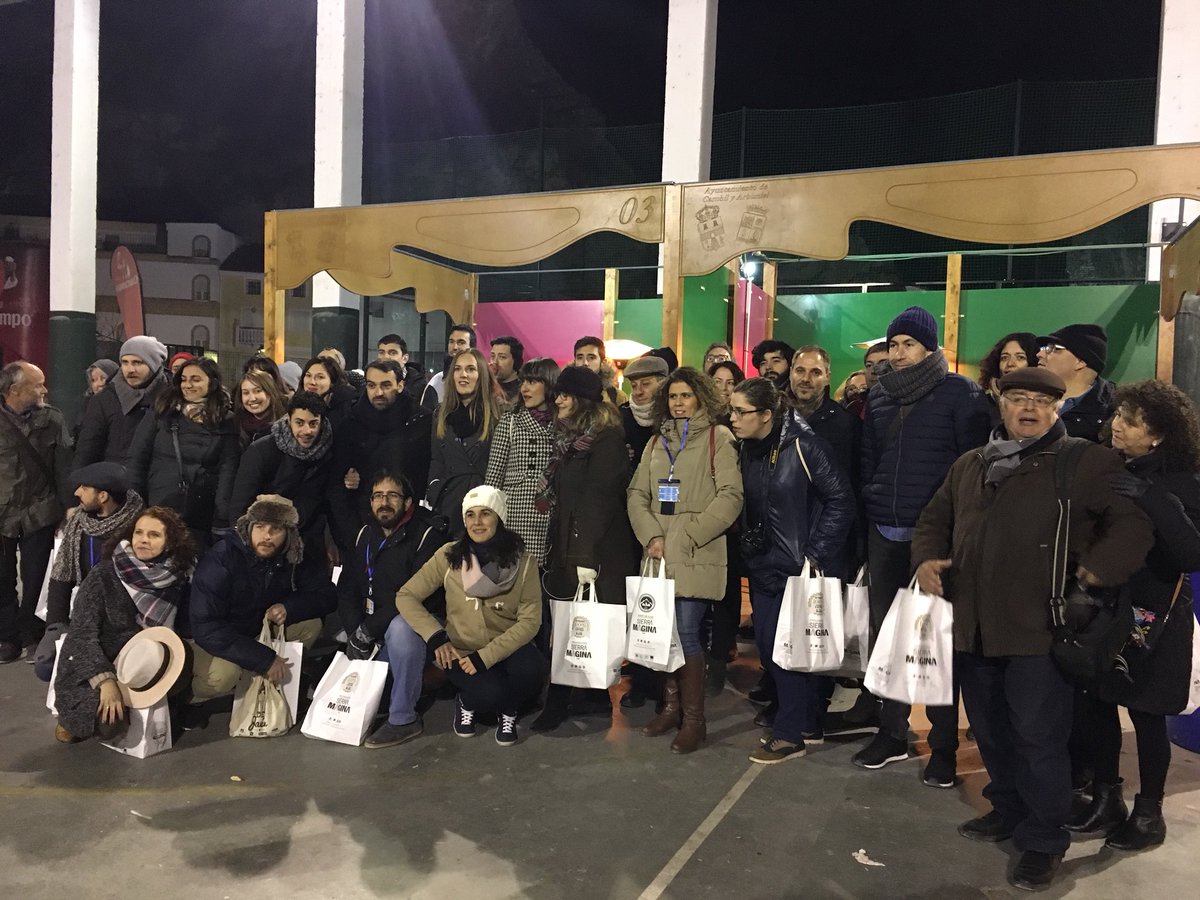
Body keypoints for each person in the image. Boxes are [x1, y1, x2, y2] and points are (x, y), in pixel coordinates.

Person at [911, 367, 1153, 891]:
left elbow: (1132, 524)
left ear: (1057, 409)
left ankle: (1044, 840)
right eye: (1018, 397)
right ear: (1000, 403)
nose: (1029, 408)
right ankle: (1009, 807)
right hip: (974, 627)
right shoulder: (971, 464)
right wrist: (927, 558)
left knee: (1039, 739)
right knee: (992, 731)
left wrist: (1097, 572)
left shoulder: (1083, 461)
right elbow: (933, 520)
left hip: (1039, 630)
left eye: (1042, 401)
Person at [856, 306, 992, 782]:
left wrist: (952, 535)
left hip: (934, 539)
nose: (898, 354)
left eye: (909, 344)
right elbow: (870, 460)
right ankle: (891, 732)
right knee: (886, 637)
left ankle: (943, 747)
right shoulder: (880, 397)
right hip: (884, 532)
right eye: (893, 345)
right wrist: (873, 499)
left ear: (930, 348)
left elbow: (972, 469)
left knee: (936, 642)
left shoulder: (961, 394)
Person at [1068, 381, 1200, 851]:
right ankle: (1107, 797)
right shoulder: (1110, 467)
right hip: (1108, 610)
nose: (1117, 426)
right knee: (1099, 702)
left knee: (1146, 713)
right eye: (1119, 415)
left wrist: (1153, 498)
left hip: (1157, 616)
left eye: (1131, 420)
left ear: (1159, 435)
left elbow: (1189, 553)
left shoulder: (1183, 482)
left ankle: (1149, 813)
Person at [730, 377, 855, 764]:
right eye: (731, 410)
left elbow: (842, 501)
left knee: (786, 650)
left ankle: (788, 735)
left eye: (740, 411)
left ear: (766, 414)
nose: (732, 418)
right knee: (773, 649)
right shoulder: (746, 449)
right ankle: (807, 723)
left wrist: (815, 554)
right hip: (763, 563)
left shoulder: (806, 446)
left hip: (798, 569)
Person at [627, 367, 743, 753]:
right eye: (673, 396)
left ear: (701, 398)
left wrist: (689, 533)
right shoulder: (656, 442)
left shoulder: (718, 437)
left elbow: (731, 496)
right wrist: (652, 535)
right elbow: (636, 494)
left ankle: (695, 720)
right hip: (659, 554)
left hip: (697, 550)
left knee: (687, 632)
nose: (678, 403)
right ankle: (671, 708)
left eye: (686, 396)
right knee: (664, 633)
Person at [531, 365, 639, 732]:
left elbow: (599, 498)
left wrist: (584, 556)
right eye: (558, 393)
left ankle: (563, 701)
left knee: (581, 624)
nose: (558, 399)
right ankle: (586, 697)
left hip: (598, 549)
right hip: (570, 543)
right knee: (570, 623)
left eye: (565, 394)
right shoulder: (569, 439)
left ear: (583, 399)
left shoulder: (606, 440)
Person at [395, 486, 545, 746]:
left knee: (533, 669)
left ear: (499, 518)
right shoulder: (449, 555)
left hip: (506, 647)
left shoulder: (523, 562)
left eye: (485, 513)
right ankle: (467, 701)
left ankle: (509, 710)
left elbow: (530, 621)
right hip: (461, 651)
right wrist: (436, 636)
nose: (477, 522)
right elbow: (406, 596)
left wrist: (485, 656)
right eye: (470, 515)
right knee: (490, 694)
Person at [52, 507, 194, 743]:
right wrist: (105, 680)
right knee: (110, 724)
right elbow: (82, 634)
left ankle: (160, 704)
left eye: (154, 535)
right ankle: (70, 721)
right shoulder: (104, 574)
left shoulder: (178, 575)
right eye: (139, 532)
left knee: (185, 659)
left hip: (143, 664)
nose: (143, 540)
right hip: (98, 662)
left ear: (170, 543)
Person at [187, 494, 336, 712]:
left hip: (254, 630)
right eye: (260, 527)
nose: (267, 536)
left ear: (289, 533)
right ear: (248, 528)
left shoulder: (294, 556)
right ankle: (185, 698)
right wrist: (263, 659)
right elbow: (206, 627)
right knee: (223, 676)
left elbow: (328, 595)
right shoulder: (222, 558)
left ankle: (263, 685)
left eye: (276, 528)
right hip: (214, 637)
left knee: (310, 625)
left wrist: (289, 607)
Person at [339, 471, 447, 748]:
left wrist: (367, 630)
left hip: (414, 627)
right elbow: (348, 588)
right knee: (360, 697)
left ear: (408, 502)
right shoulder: (364, 534)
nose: (384, 502)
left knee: (402, 627)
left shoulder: (426, 536)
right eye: (377, 496)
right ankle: (403, 690)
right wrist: (355, 633)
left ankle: (404, 719)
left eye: (392, 496)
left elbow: (412, 598)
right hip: (372, 633)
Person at [33, 463, 145, 679]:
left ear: (103, 496)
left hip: (126, 621)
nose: (77, 493)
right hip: (85, 615)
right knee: (47, 665)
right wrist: (55, 626)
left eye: (84, 488)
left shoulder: (138, 528)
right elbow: (61, 577)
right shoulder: (79, 524)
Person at [0, 361, 72, 664]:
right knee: (2, 579)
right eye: (37, 384)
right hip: (2, 513)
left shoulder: (53, 419)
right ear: (16, 390)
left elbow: (64, 467)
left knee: (37, 579)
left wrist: (67, 509)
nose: (44, 390)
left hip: (40, 511)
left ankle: (31, 633)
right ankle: (7, 637)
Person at [127, 356, 238, 546]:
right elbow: (137, 458)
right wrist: (136, 503)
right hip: (158, 505)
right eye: (184, 379)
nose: (188, 385)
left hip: (200, 513)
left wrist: (221, 516)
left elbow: (227, 470)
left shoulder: (226, 420)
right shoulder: (163, 412)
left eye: (196, 379)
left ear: (212, 383)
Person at [330, 359, 432, 552]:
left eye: (386, 385)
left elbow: (425, 475)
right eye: (371, 385)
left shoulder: (421, 421)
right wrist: (352, 535)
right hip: (360, 526)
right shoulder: (350, 423)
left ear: (400, 385)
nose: (378, 392)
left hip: (409, 529)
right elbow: (336, 484)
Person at [228, 391, 334, 562]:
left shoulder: (328, 453)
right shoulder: (261, 451)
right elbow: (239, 506)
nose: (307, 431)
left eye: (313, 423)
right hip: (264, 543)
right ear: (289, 420)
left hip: (308, 544)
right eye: (299, 423)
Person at [484, 357, 560, 568]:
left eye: (532, 382)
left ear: (550, 384)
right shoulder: (511, 421)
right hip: (516, 516)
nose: (525, 388)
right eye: (523, 381)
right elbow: (493, 477)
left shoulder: (564, 424)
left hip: (552, 514)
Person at [427, 348, 503, 537]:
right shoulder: (440, 414)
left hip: (486, 504)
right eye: (458, 369)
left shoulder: (499, 414)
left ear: (482, 374)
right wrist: (434, 490)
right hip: (449, 504)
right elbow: (437, 459)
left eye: (470, 369)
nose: (463, 375)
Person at [74, 336, 171, 467]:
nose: (130, 369)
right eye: (125, 362)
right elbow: (87, 451)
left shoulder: (173, 398)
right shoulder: (104, 400)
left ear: (154, 364)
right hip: (113, 476)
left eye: (137, 362)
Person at [1037, 323, 1114, 442]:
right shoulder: (1026, 395)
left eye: (1055, 349)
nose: (1039, 354)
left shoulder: (1111, 411)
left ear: (1080, 362)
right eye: (1045, 348)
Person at [978, 332, 1040, 423]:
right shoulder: (982, 404)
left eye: (1020, 357)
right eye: (1004, 358)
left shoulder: (1045, 403)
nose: (1010, 363)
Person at [620, 355, 669, 465]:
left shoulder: (673, 413)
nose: (638, 392)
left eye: (646, 384)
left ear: (662, 384)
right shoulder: (621, 416)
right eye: (634, 386)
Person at [421, 324, 476, 408]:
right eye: (451, 342)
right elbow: (425, 413)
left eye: (461, 342)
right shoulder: (437, 381)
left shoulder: (481, 381)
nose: (455, 347)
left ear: (472, 348)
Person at [377, 332, 434, 412]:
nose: (386, 357)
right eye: (381, 352)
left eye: (392, 353)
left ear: (405, 358)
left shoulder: (424, 389)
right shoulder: (369, 385)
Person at [233, 368, 287, 450]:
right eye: (246, 393)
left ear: (270, 392)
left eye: (258, 391)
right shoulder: (235, 425)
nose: (252, 398)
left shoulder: (286, 424)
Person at [300, 355, 356, 429]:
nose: (312, 382)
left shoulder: (346, 409)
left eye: (320, 377)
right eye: (308, 375)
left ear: (333, 382)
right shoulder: (296, 403)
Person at [573, 336, 628, 406]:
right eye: (580, 358)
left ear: (602, 362)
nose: (585, 363)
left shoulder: (616, 396)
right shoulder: (564, 394)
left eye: (591, 358)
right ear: (575, 361)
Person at [73, 359, 118, 444]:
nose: (99, 384)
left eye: (103, 378)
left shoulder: (124, 404)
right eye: (93, 380)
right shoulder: (86, 405)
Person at [489, 336, 524, 403]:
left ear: (516, 361)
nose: (495, 362)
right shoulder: (486, 385)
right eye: (493, 356)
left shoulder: (524, 390)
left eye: (502, 357)